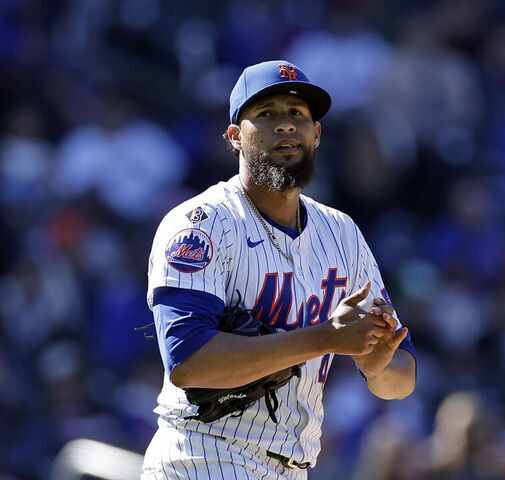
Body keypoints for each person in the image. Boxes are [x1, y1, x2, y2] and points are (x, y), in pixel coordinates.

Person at [141, 60, 417, 479]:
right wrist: (325, 339)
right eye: (266, 114)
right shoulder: (201, 224)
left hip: (292, 467)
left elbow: (404, 376)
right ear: (235, 136)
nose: (285, 125)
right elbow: (188, 362)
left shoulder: (342, 232)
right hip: (203, 454)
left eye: (297, 114)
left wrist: (375, 366)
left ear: (316, 134)